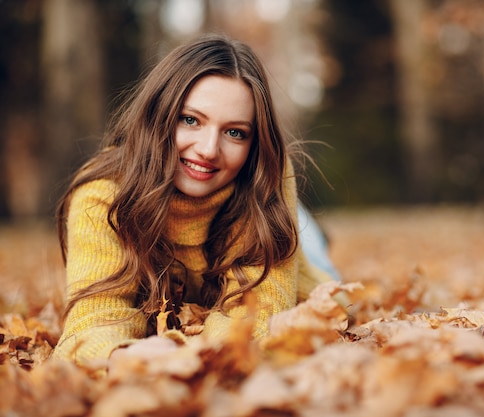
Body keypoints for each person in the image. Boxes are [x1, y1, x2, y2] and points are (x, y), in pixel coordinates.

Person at [52, 33, 340, 367]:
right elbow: (93, 317)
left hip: (297, 259)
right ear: (159, 116)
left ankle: (308, 230)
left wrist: (200, 358)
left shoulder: (267, 176)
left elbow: (258, 310)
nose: (208, 149)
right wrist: (121, 355)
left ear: (253, 144)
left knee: (313, 252)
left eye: (235, 132)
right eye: (191, 120)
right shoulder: (102, 195)